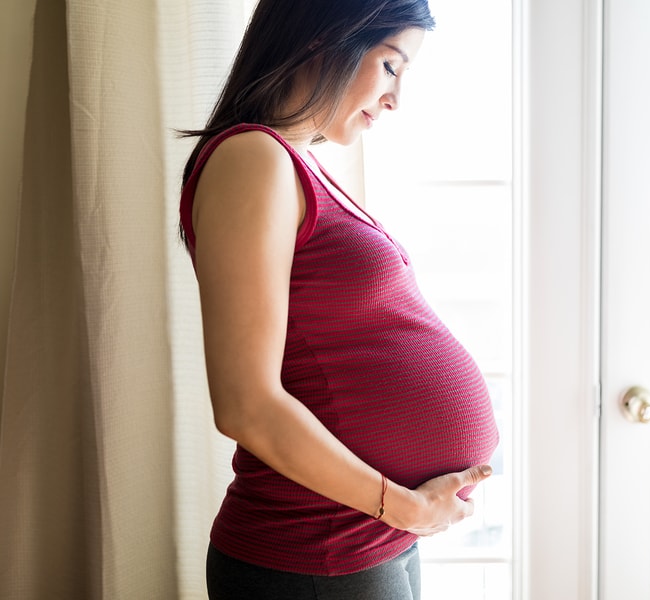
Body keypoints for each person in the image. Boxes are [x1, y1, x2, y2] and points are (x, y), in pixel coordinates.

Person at [177, 1, 500, 598]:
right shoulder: (251, 158)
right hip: (316, 553)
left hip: (365, 536)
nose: (395, 98)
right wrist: (397, 504)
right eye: (390, 66)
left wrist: (400, 512)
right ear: (327, 37)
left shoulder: (293, 161)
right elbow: (246, 404)